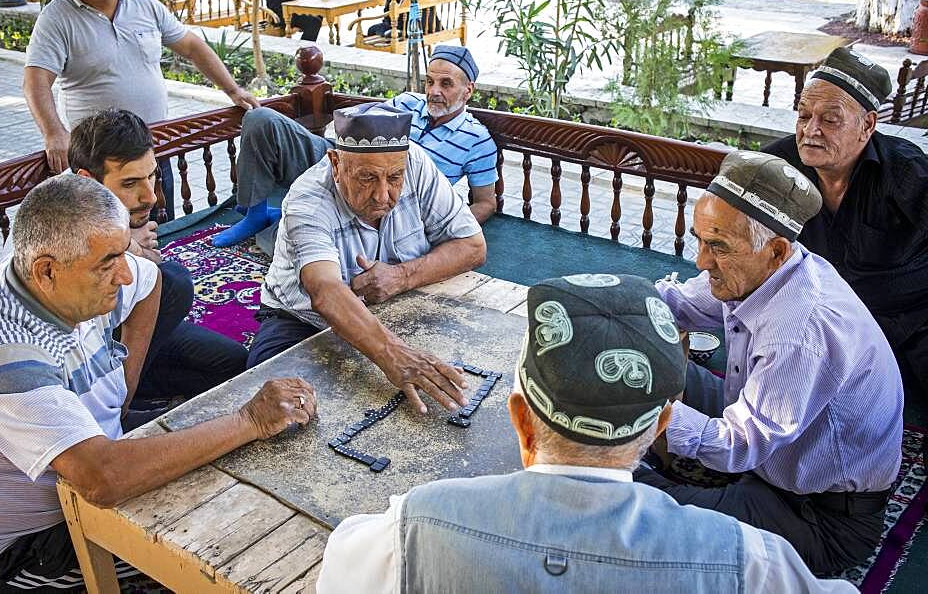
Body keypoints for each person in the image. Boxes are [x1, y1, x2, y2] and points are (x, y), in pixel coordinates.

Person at [317, 274, 856, 593]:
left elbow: (339, 572)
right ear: (661, 426)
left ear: (521, 419)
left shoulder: (412, 525)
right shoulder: (746, 561)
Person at [0, 174, 317, 592]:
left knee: (233, 464)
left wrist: (124, 394)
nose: (124, 276)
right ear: (46, 271)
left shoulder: (68, 271)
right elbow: (102, 480)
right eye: (109, 265)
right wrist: (249, 421)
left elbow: (150, 280)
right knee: (237, 546)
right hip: (15, 547)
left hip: (86, 462)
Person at [634, 150, 904, 575]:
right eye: (700, 241)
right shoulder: (759, 270)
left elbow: (739, 445)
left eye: (718, 247)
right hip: (775, 457)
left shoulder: (801, 327)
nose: (702, 262)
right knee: (641, 370)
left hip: (818, 517)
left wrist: (646, 415)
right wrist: (606, 303)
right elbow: (675, 304)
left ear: (776, 251)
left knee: (632, 502)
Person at [250, 102, 486, 415]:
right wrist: (392, 352)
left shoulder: (414, 161)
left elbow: (472, 246)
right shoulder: (307, 198)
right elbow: (325, 292)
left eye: (394, 178)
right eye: (367, 178)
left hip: (395, 303)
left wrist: (400, 276)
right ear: (335, 164)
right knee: (277, 407)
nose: (383, 195)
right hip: (301, 320)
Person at [23, 0, 260, 220]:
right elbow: (36, 81)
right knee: (113, 240)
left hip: (154, 149)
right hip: (106, 165)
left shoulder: (142, 3)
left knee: (162, 231)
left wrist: (233, 90)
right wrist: (54, 132)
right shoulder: (56, 20)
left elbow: (191, 46)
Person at [763, 47, 928, 402]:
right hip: (812, 321)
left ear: (867, 124)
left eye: (830, 120)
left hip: (904, 323)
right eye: (803, 115)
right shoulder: (775, 168)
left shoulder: (909, 175)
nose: (811, 130)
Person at [212, 45, 497, 248]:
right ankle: (256, 214)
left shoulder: (477, 139)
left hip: (386, 198)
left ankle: (282, 225)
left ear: (468, 90)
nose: (434, 91)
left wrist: (443, 228)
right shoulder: (407, 103)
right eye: (430, 81)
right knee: (260, 119)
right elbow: (360, 123)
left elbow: (486, 202)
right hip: (340, 162)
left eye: (446, 84)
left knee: (291, 245)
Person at [69, 109, 248, 413]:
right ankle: (122, 401)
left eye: (151, 175)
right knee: (172, 281)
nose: (150, 196)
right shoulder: (58, 219)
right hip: (81, 355)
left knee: (233, 363)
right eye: (130, 184)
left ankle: (137, 391)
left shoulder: (113, 207)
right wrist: (131, 249)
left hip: (125, 331)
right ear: (87, 181)